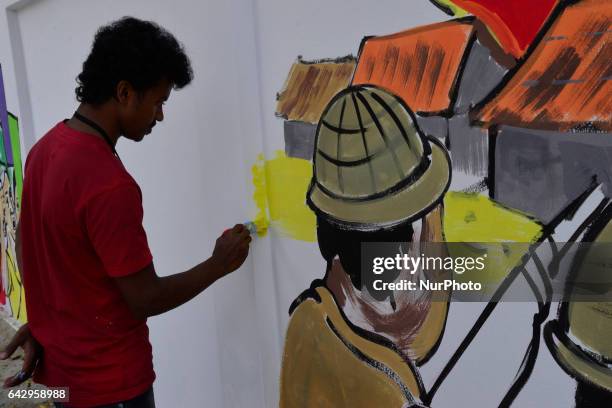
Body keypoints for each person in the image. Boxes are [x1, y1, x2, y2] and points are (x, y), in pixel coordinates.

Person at [0, 16, 251, 407]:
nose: (160, 115)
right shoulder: (107, 184)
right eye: (159, 101)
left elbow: (37, 253)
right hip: (109, 390)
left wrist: (47, 325)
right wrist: (218, 263)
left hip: (62, 384)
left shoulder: (45, 149)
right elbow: (145, 298)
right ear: (124, 92)